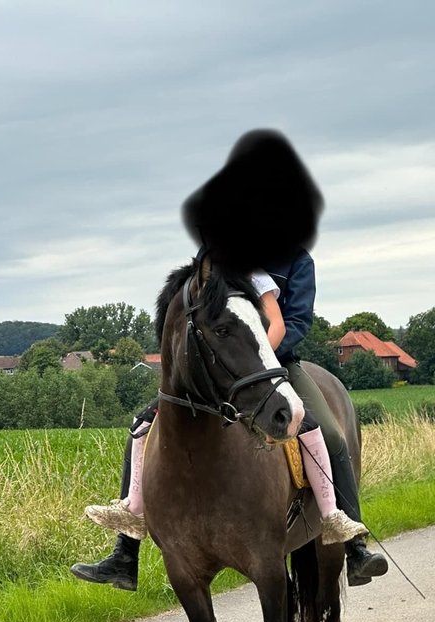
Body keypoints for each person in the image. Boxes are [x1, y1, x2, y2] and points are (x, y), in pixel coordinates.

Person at [71, 130, 389, 589]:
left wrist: (260, 359)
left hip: (278, 365)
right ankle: (126, 549)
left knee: (332, 435)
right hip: (220, 372)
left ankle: (352, 543)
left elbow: (296, 321)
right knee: (142, 427)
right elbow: (197, 311)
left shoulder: (297, 261)